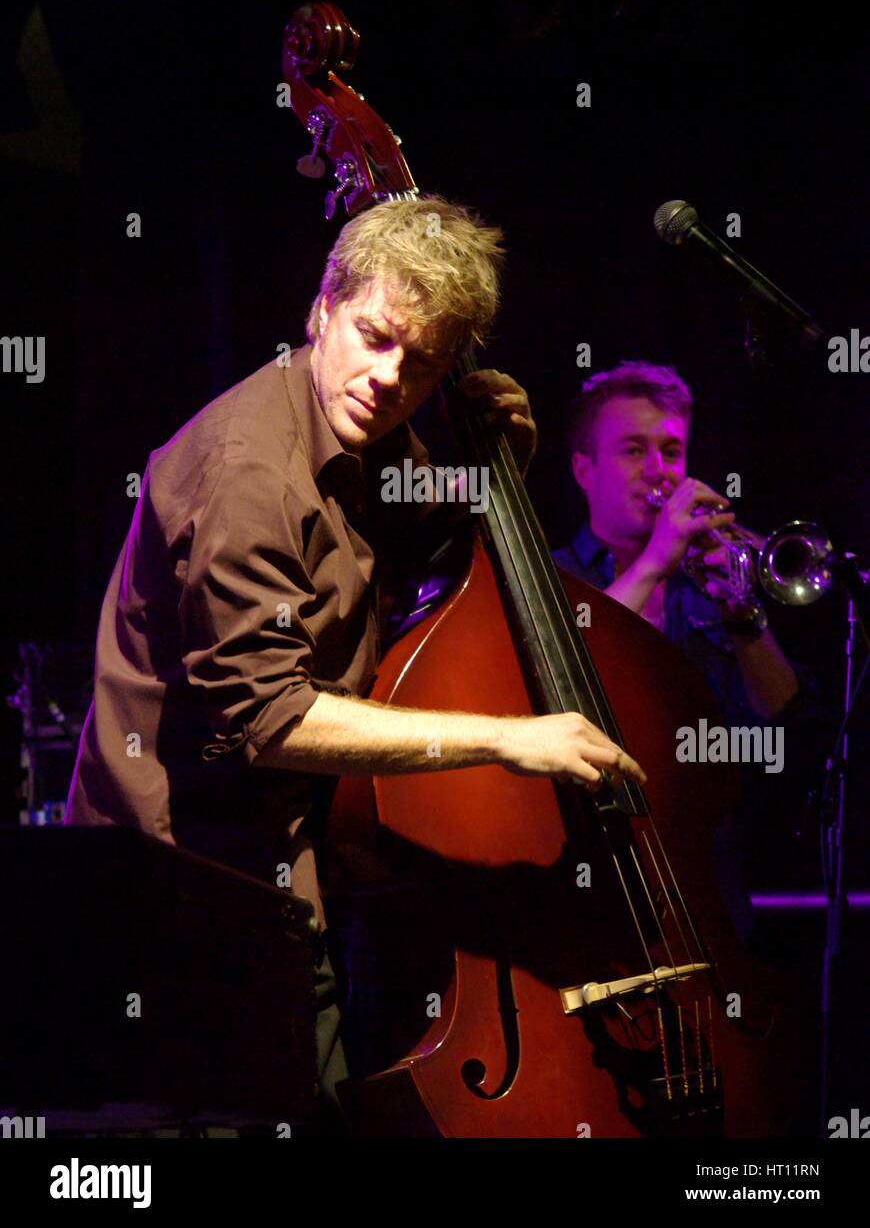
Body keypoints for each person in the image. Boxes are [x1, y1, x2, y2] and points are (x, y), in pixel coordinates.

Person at [65, 197, 643, 1136]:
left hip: (283, 876)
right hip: (179, 893)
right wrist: (507, 740)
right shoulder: (249, 470)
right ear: (321, 309)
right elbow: (271, 719)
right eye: (374, 337)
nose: (387, 379)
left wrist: (493, 479)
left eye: (421, 363)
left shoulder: (367, 437)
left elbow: (409, 563)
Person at [552, 361, 812, 941]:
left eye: (672, 450)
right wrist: (654, 562)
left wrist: (743, 614)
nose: (659, 472)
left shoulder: (705, 580)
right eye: (633, 450)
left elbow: (782, 719)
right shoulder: (552, 575)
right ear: (584, 470)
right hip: (594, 873)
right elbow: (568, 664)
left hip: (712, 877)